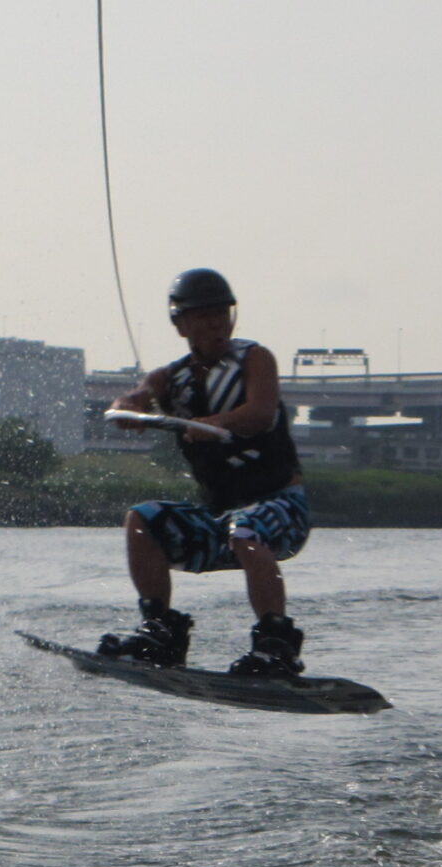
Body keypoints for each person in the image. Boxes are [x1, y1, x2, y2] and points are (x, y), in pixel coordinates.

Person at [101, 268, 312, 678]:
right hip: (220, 520)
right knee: (142, 520)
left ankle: (276, 645)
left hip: (283, 510)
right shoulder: (170, 379)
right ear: (181, 325)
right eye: (203, 316)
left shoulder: (255, 359)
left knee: (247, 529)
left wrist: (213, 423)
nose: (217, 324)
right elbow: (134, 397)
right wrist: (128, 409)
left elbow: (260, 412)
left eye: (221, 314)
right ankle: (160, 632)